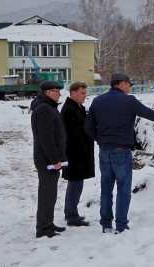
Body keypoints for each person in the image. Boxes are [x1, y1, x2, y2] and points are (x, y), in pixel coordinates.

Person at [86, 73, 154, 234]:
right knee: (123, 188)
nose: (130, 87)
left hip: (104, 150)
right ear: (121, 84)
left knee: (106, 188)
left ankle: (106, 224)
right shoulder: (129, 101)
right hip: (121, 151)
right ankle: (121, 225)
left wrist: (100, 140)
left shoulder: (97, 101)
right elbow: (152, 115)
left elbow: (88, 127)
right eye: (129, 84)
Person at [30, 80, 67, 238]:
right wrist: (54, 160)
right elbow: (46, 139)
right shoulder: (44, 109)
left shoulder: (48, 107)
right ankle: (43, 228)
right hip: (47, 160)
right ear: (47, 92)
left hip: (49, 159)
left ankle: (48, 223)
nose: (59, 93)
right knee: (47, 193)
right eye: (56, 91)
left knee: (50, 193)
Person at [61, 82, 95, 227]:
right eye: (82, 93)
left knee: (76, 184)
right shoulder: (69, 109)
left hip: (78, 154)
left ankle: (71, 212)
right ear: (73, 93)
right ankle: (71, 215)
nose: (84, 96)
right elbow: (75, 134)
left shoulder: (77, 107)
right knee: (75, 185)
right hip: (74, 154)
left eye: (85, 93)